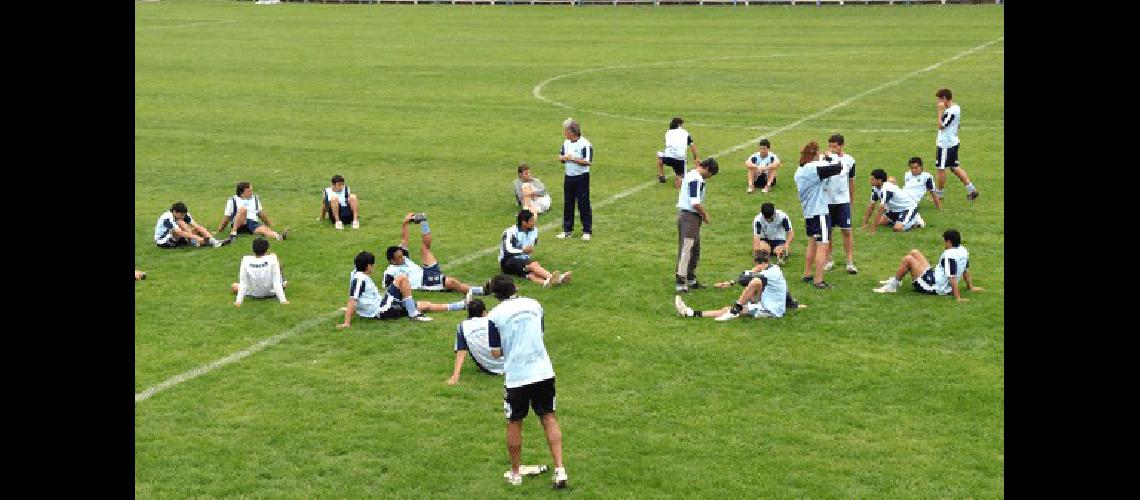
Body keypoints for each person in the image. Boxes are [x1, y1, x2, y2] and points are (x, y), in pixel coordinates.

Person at [484, 274, 568, 489]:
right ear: (515, 287)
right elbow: (540, 333)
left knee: (514, 422)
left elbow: (495, 353)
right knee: (548, 417)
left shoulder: (494, 316)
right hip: (543, 371)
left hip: (517, 377)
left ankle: (515, 473)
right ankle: (560, 470)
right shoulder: (534, 305)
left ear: (496, 295)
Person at [336, 251, 468, 327]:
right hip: (381, 309)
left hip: (382, 305)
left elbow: (356, 300)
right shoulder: (360, 279)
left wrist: (352, 310)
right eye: (372, 265)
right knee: (401, 279)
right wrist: (347, 322)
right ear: (368, 266)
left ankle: (461, 305)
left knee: (424, 305)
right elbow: (352, 300)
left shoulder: (356, 273)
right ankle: (413, 315)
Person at [674, 250, 806, 321]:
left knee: (728, 308)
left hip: (769, 311)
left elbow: (745, 280)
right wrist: (794, 305)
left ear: (760, 263)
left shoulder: (768, 273)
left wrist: (753, 271)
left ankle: (734, 309)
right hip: (768, 305)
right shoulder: (774, 269)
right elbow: (784, 291)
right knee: (754, 284)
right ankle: (691, 313)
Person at [383, 212, 488, 298]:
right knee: (451, 282)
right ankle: (482, 290)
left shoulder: (402, 256)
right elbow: (388, 288)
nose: (403, 258)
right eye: (400, 257)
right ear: (392, 261)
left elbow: (404, 238)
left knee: (424, 248)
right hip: (424, 282)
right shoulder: (390, 272)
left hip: (425, 271)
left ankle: (424, 222)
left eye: (402, 255)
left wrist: (405, 222)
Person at [872, 229, 983, 301]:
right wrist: (971, 287)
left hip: (934, 286)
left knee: (908, 259)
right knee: (914, 252)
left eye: (945, 241)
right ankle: (896, 280)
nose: (944, 244)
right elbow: (965, 271)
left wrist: (958, 297)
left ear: (949, 242)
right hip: (935, 277)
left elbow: (952, 277)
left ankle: (893, 286)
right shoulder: (964, 250)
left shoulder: (949, 255)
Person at [793, 141, 847, 289]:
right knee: (823, 245)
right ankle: (819, 280)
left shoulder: (800, 170)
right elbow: (838, 168)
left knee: (812, 243)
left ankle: (807, 273)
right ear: (814, 154)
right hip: (819, 212)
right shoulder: (813, 168)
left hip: (809, 213)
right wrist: (831, 157)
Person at [675, 158, 720, 293]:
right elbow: (694, 202)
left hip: (690, 217)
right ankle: (681, 282)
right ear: (707, 169)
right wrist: (705, 214)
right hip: (690, 217)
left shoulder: (692, 175)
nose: (710, 177)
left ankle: (690, 278)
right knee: (687, 248)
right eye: (711, 174)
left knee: (695, 248)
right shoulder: (696, 179)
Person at [499, 209, 571, 288]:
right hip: (507, 262)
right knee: (533, 265)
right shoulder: (510, 232)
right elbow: (507, 251)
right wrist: (523, 250)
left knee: (531, 274)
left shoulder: (534, 231)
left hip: (521, 261)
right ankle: (557, 278)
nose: (534, 222)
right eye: (531, 220)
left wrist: (526, 251)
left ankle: (546, 283)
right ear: (524, 222)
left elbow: (532, 244)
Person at [933, 88, 980, 202]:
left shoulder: (950, 111)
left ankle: (939, 195)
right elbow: (957, 125)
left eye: (939, 99)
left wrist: (939, 111)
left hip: (946, 145)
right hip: (952, 142)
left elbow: (940, 126)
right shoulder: (956, 107)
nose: (938, 102)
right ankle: (971, 190)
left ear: (944, 98)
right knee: (954, 167)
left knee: (941, 169)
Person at [822, 134, 859, 275]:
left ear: (841, 145)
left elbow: (852, 181)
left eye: (834, 146)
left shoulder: (849, 160)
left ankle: (849, 262)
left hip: (842, 202)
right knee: (828, 231)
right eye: (830, 146)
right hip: (827, 201)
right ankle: (829, 260)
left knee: (847, 231)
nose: (831, 149)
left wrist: (851, 201)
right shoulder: (825, 160)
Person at [446, 299, 505, 385]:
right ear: (484, 312)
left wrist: (455, 375)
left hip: (490, 368)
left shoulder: (462, 327)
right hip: (510, 364)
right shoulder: (494, 320)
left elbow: (461, 353)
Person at [556, 118, 594, 241]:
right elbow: (561, 156)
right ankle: (567, 230)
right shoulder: (566, 143)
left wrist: (572, 158)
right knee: (568, 204)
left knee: (583, 204)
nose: (564, 133)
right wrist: (563, 158)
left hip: (581, 178)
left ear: (572, 131)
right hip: (569, 177)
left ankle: (587, 230)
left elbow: (588, 162)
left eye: (566, 130)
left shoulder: (585, 144)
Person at [216, 181, 290, 241]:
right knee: (243, 210)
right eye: (249, 191)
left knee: (263, 229)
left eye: (251, 191)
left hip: (252, 224)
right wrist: (220, 230)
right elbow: (227, 217)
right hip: (239, 223)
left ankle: (279, 236)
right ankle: (233, 233)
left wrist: (269, 223)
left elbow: (261, 213)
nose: (251, 193)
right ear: (242, 193)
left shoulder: (255, 199)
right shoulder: (232, 200)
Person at [231, 237, 288, 307]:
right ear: (267, 250)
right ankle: (284, 282)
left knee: (234, 286)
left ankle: (283, 284)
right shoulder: (272, 258)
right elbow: (276, 282)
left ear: (253, 250)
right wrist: (283, 300)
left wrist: (238, 302)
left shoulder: (246, 260)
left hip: (254, 293)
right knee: (274, 257)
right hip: (272, 292)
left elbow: (243, 282)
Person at [154, 201, 230, 249]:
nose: (183, 216)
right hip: (163, 241)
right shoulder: (167, 217)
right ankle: (197, 242)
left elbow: (196, 225)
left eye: (184, 214)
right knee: (180, 224)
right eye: (181, 214)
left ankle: (215, 242)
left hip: (179, 239)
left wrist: (200, 232)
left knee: (197, 228)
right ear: (174, 212)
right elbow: (178, 232)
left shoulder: (184, 215)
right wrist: (197, 237)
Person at [656, 117, 700, 189]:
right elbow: (692, 147)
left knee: (659, 155)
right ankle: (679, 186)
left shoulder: (668, 133)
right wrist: (696, 158)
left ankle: (661, 175)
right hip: (679, 159)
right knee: (679, 177)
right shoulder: (685, 133)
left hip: (668, 158)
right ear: (680, 125)